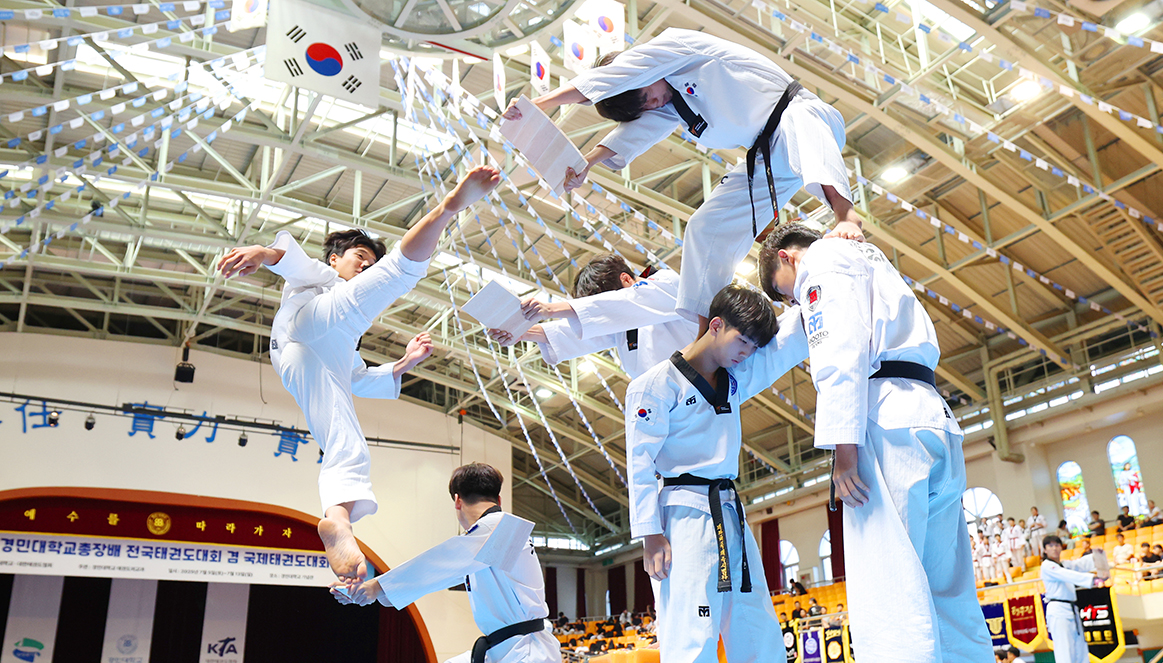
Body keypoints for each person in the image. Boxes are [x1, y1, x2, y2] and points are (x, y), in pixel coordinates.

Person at [759, 223, 1011, 663]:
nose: (795, 302)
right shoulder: (869, 257)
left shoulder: (821, 263)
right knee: (952, 596)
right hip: (933, 415)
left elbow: (839, 352)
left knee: (890, 594)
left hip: (884, 419)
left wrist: (843, 448)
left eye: (787, 290)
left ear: (786, 258)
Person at [215, 166, 501, 588]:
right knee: (395, 276)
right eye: (359, 259)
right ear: (336, 258)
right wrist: (260, 250)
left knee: (346, 441)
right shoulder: (323, 276)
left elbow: (355, 378)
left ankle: (337, 520)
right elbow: (287, 260)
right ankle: (449, 206)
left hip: (308, 361)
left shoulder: (347, 336)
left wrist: (402, 365)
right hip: (306, 325)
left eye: (370, 262)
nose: (364, 266)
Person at [625, 284, 842, 663]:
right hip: (680, 514)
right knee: (691, 639)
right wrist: (649, 534)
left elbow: (785, 345)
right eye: (743, 341)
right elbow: (639, 464)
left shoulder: (735, 376)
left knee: (761, 637)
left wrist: (815, 287)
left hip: (729, 511)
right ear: (716, 326)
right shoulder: (654, 385)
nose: (748, 353)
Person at [502, 30, 862, 333]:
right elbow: (638, 130)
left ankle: (846, 215)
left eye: (646, 94)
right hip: (767, 152)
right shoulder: (671, 103)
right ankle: (708, 326)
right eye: (644, 104)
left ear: (638, 71)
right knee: (704, 227)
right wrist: (589, 162)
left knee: (803, 132)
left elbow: (616, 77)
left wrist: (539, 104)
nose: (653, 101)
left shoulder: (673, 48)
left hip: (798, 112)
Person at [332, 463, 617, 663]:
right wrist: (376, 588)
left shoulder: (502, 531)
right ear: (498, 496)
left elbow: (440, 562)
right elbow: (452, 564)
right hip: (500, 651)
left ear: (457, 501)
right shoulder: (482, 540)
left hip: (526, 657)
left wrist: (375, 588)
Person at [490, 254, 694, 379]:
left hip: (702, 389)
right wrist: (521, 332)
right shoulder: (619, 323)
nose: (603, 310)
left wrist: (552, 309)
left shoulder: (665, 282)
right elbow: (581, 331)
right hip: (665, 402)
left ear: (626, 279)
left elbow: (619, 306)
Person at [1040, 534, 1107, 663]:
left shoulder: (1065, 564)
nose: (1054, 548)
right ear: (1045, 549)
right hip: (1058, 609)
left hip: (1071, 609)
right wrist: (1093, 579)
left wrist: (1097, 556)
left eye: (1057, 545)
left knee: (1080, 652)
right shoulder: (1047, 566)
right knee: (1065, 652)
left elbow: (1079, 565)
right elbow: (1068, 575)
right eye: (1050, 546)